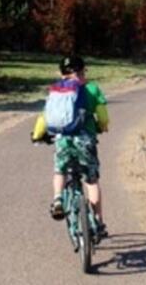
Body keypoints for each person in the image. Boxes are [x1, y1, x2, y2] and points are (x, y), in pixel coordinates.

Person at [31, 55, 109, 234]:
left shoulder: (56, 91)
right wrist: (101, 127)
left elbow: (45, 117)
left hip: (63, 140)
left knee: (60, 170)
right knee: (91, 180)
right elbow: (103, 118)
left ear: (61, 72)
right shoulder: (92, 89)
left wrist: (37, 136)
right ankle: (98, 221)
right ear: (83, 71)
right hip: (85, 140)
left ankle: (58, 199)